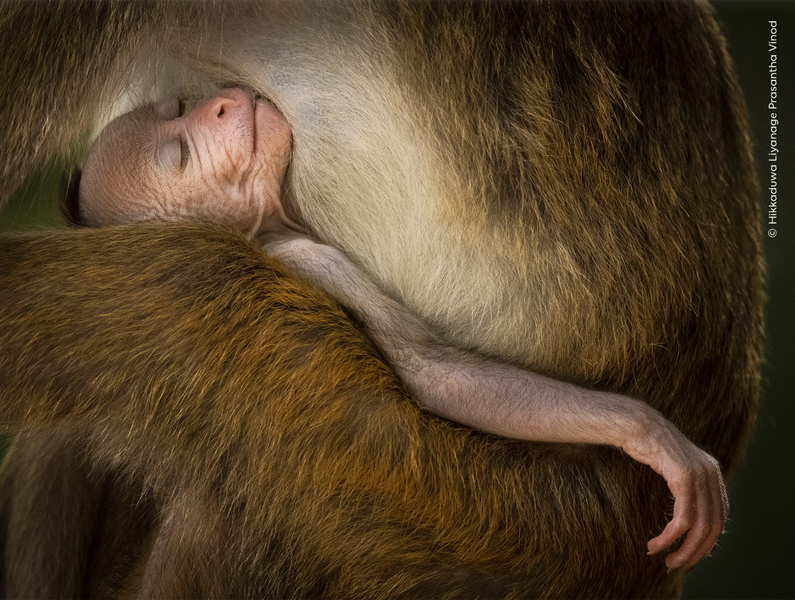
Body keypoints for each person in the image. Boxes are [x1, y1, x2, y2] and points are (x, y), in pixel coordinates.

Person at [64, 86, 727, 561]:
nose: (214, 109)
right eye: (181, 153)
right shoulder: (294, 265)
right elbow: (436, 375)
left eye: (176, 107)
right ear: (198, 248)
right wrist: (635, 426)